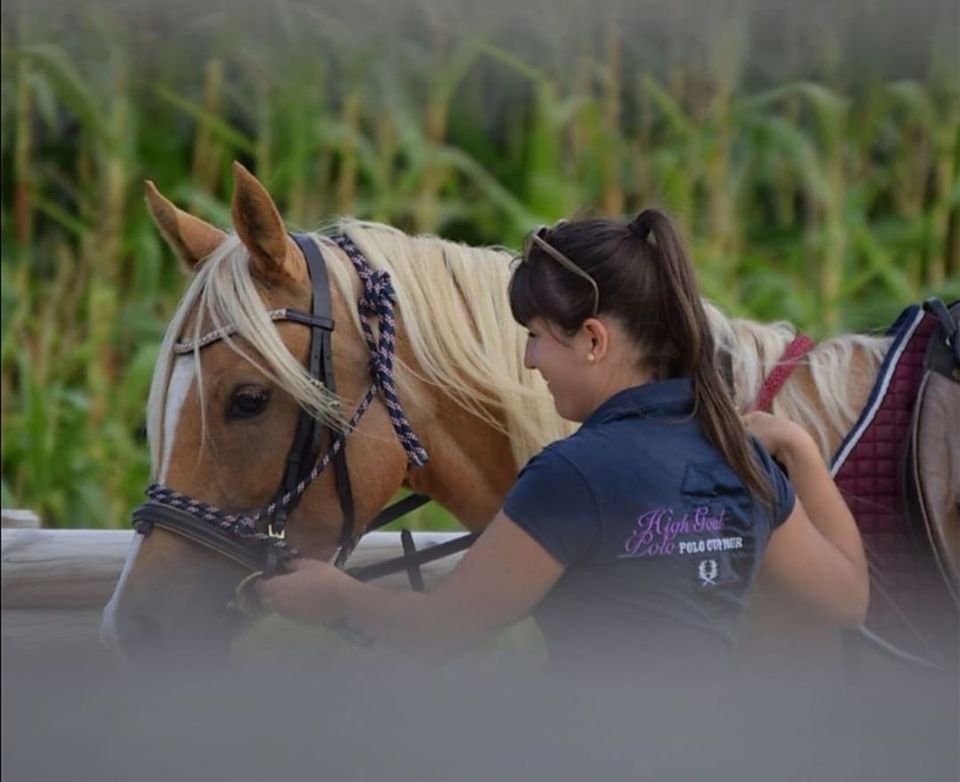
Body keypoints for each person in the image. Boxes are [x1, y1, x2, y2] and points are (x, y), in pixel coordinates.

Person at [256, 209, 868, 675]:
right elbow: (848, 600)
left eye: (538, 336)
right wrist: (801, 454)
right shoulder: (742, 461)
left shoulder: (572, 475)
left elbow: (441, 629)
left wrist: (338, 595)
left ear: (594, 340)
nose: (527, 359)